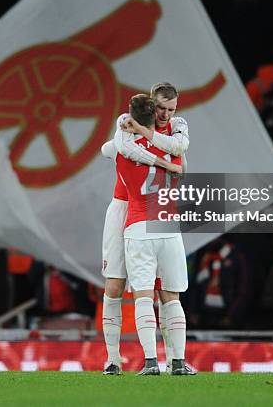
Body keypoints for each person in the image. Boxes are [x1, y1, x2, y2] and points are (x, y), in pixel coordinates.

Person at [100, 82, 189, 374]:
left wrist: (143, 134)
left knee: (159, 291)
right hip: (125, 208)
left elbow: (109, 150)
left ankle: (167, 359)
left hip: (146, 214)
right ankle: (114, 359)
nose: (165, 114)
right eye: (161, 108)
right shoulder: (128, 128)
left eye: (171, 109)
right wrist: (167, 163)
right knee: (115, 286)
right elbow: (115, 146)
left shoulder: (173, 128)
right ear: (151, 105)